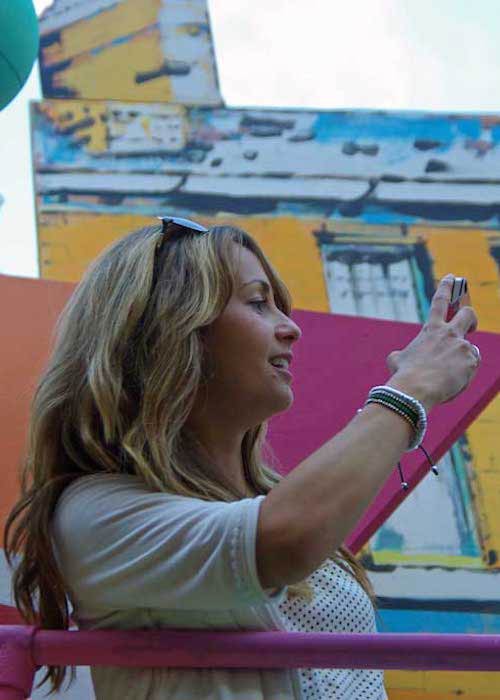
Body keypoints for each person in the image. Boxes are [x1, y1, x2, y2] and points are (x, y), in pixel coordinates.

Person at [3, 218, 480, 700]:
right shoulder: (96, 514)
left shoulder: (274, 499)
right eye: (257, 302)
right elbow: (283, 542)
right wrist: (410, 389)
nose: (291, 328)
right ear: (171, 331)